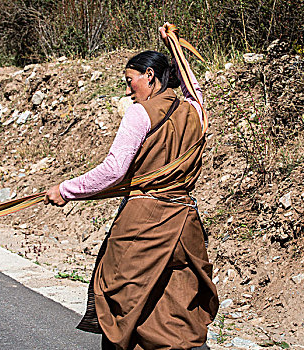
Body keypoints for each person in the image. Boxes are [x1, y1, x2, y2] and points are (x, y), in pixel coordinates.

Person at [44, 23, 219, 350]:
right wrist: (175, 50)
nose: (128, 90)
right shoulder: (195, 111)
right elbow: (193, 88)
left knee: (123, 299)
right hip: (185, 224)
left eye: (130, 81)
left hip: (143, 221)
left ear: (150, 76)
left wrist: (65, 190)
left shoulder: (139, 115)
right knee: (175, 302)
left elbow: (113, 171)